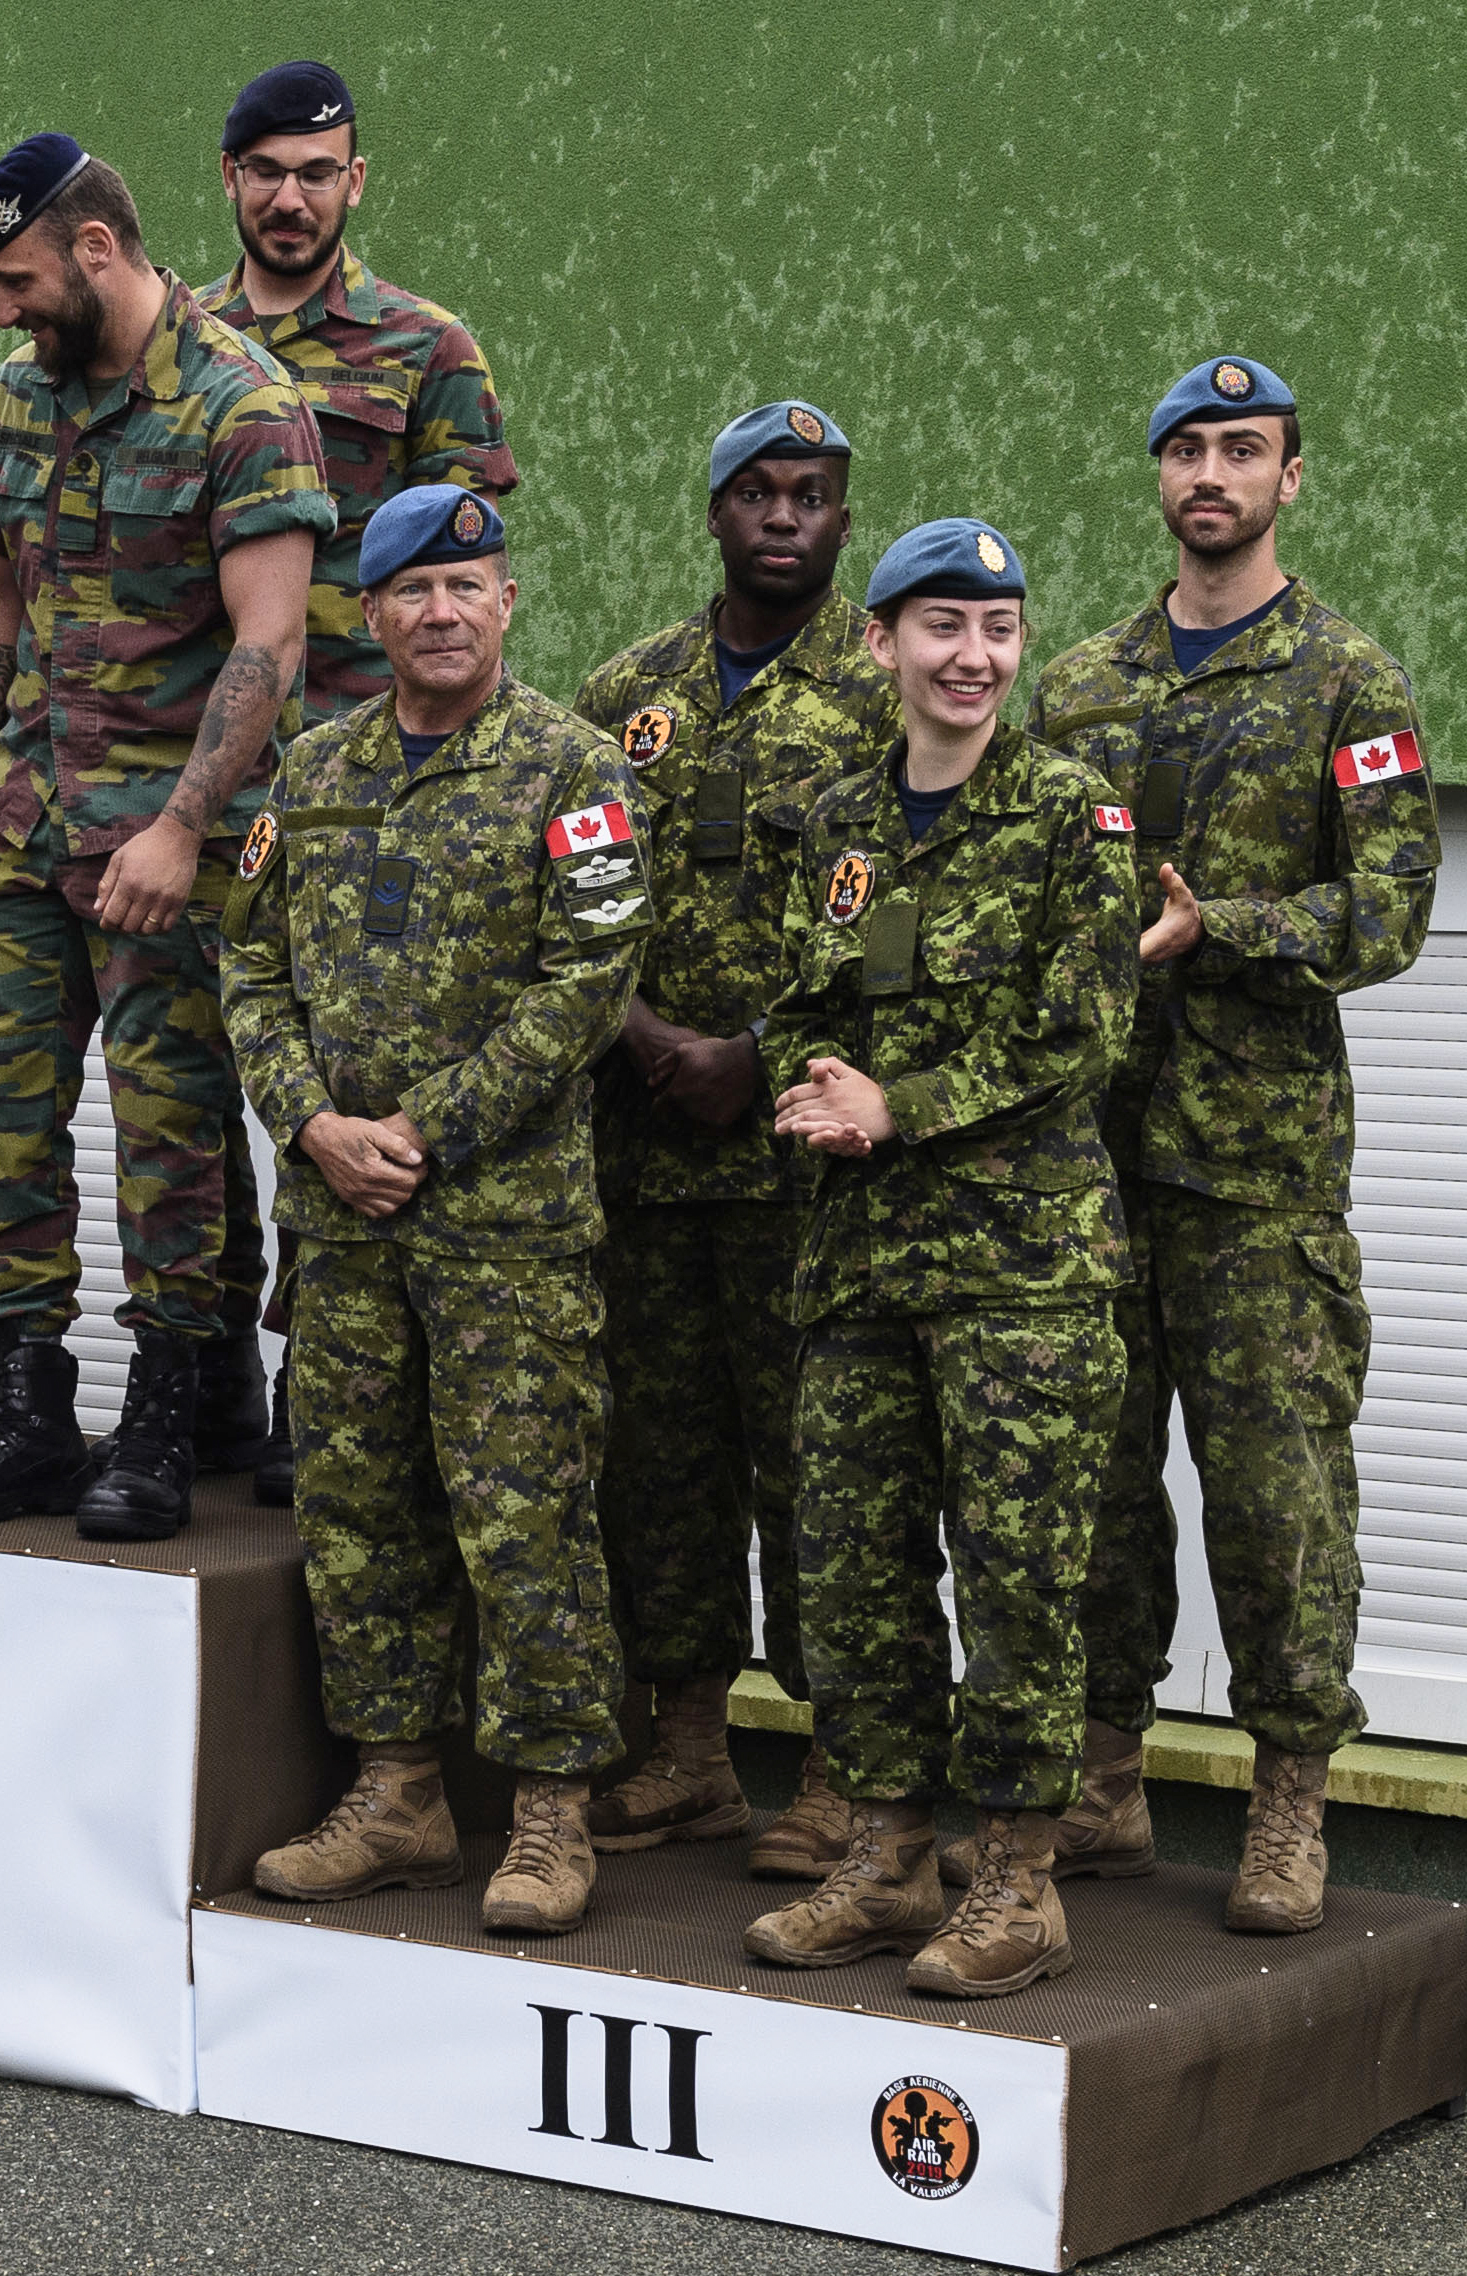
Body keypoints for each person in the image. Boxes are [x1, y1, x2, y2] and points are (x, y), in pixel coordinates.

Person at [1018, 358, 1440, 1934]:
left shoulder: (1346, 683)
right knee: (1091, 1484)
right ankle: (1101, 1778)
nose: (1210, 473)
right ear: (1156, 476)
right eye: (1186, 449)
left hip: (1253, 1171)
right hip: (1085, 1160)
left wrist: (1227, 927)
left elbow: (1388, 911)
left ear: (1287, 477)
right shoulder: (1078, 684)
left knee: (1274, 1495)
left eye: (1240, 449)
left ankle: (1285, 1802)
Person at [231, 486, 647, 1936]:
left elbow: (591, 980)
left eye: (468, 585)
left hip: (505, 1229)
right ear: (372, 613)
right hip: (344, 1227)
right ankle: (396, 1790)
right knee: (361, 1510)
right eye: (413, 589)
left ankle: (548, 1813)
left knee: (525, 1516)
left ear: (507, 603)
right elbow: (249, 971)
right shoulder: (313, 770)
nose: (442, 611)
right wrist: (310, 1122)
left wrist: (428, 1127)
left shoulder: (574, 769)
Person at [0, 134, 331, 1541]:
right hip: (21, 820)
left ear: (97, 250)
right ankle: (28, 1408)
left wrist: (182, 827)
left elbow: (269, 643)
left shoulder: (243, 405)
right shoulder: (20, 394)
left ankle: (164, 1418)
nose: (3, 312)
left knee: (169, 1136)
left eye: (20, 281)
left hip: (165, 834)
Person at [739, 518, 1134, 2000]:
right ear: (882, 642)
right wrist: (812, 1089)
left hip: (1019, 1273)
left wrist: (897, 1105)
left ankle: (1018, 1879)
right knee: (854, 1569)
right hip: (857, 1264)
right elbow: (796, 999)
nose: (974, 656)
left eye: (999, 628)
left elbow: (1083, 1028)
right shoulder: (837, 820)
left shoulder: (1071, 813)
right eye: (943, 627)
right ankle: (887, 1850)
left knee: (1018, 1576)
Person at [568, 399, 897, 1875]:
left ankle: (837, 1770)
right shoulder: (623, 691)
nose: (781, 517)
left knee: (817, 1466)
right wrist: (645, 1036)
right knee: (661, 1463)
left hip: (803, 1164)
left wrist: (757, 1053)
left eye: (808, 495)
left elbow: (898, 919)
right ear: (713, 512)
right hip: (643, 1153)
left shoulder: (882, 694)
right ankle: (690, 1753)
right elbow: (571, 892)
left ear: (841, 520)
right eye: (756, 492)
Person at [197, 58, 521, 1506]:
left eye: (315, 173)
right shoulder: (181, 345)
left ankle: (303, 1377)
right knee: (188, 1080)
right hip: (203, 776)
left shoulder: (424, 348)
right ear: (230, 180)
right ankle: (200, 1360)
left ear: (354, 182)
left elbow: (468, 569)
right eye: (266, 172)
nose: (290, 198)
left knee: (340, 1069)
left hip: (362, 784)